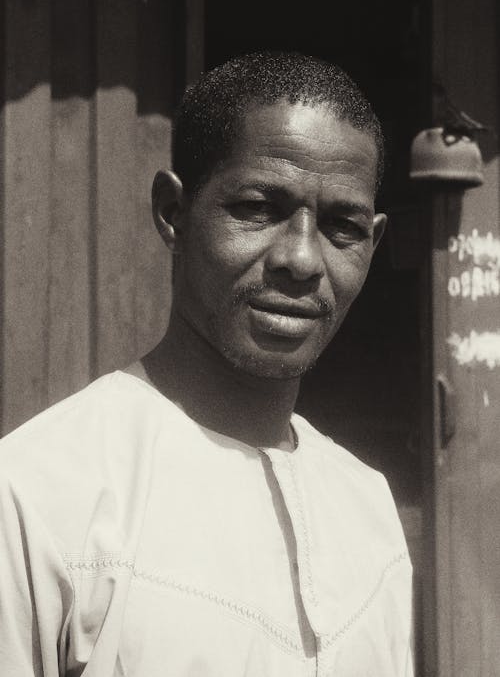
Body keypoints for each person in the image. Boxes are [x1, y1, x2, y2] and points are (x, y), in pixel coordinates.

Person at [0, 52, 413, 676]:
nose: (302, 259)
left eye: (341, 226)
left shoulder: (367, 509)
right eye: (258, 208)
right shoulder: (39, 494)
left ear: (373, 244)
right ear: (173, 212)